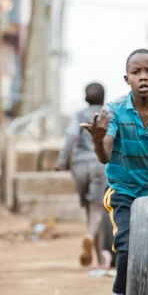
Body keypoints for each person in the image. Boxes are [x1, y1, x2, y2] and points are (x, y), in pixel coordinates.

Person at [80, 49, 148, 295]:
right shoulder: (113, 111)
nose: (143, 77)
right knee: (125, 244)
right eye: (136, 73)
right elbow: (105, 156)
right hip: (122, 189)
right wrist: (98, 141)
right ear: (127, 79)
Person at [55, 83, 114, 272]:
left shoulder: (79, 115)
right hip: (99, 164)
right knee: (97, 208)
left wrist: (62, 161)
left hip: (79, 165)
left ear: (85, 98)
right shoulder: (108, 116)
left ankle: (96, 253)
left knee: (90, 208)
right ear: (103, 98)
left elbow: (70, 137)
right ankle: (91, 238)